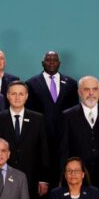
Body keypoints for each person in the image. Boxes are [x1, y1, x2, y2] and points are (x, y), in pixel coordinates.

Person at [26, 51, 79, 184]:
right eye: (48, 60)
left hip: (64, 136)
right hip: (41, 136)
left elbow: (75, 111)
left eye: (54, 60)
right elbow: (29, 111)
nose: (51, 63)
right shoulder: (31, 83)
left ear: (59, 63)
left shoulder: (71, 84)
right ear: (42, 63)